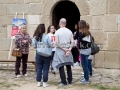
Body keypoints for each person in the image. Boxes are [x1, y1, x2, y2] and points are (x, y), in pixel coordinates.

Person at [52, 18, 74, 86]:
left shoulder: (57, 32)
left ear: (60, 23)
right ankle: (70, 80)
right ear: (65, 24)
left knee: (61, 66)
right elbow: (72, 41)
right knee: (68, 66)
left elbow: (56, 42)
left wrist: (64, 49)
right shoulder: (69, 31)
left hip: (60, 51)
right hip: (68, 51)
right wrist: (69, 49)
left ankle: (63, 82)